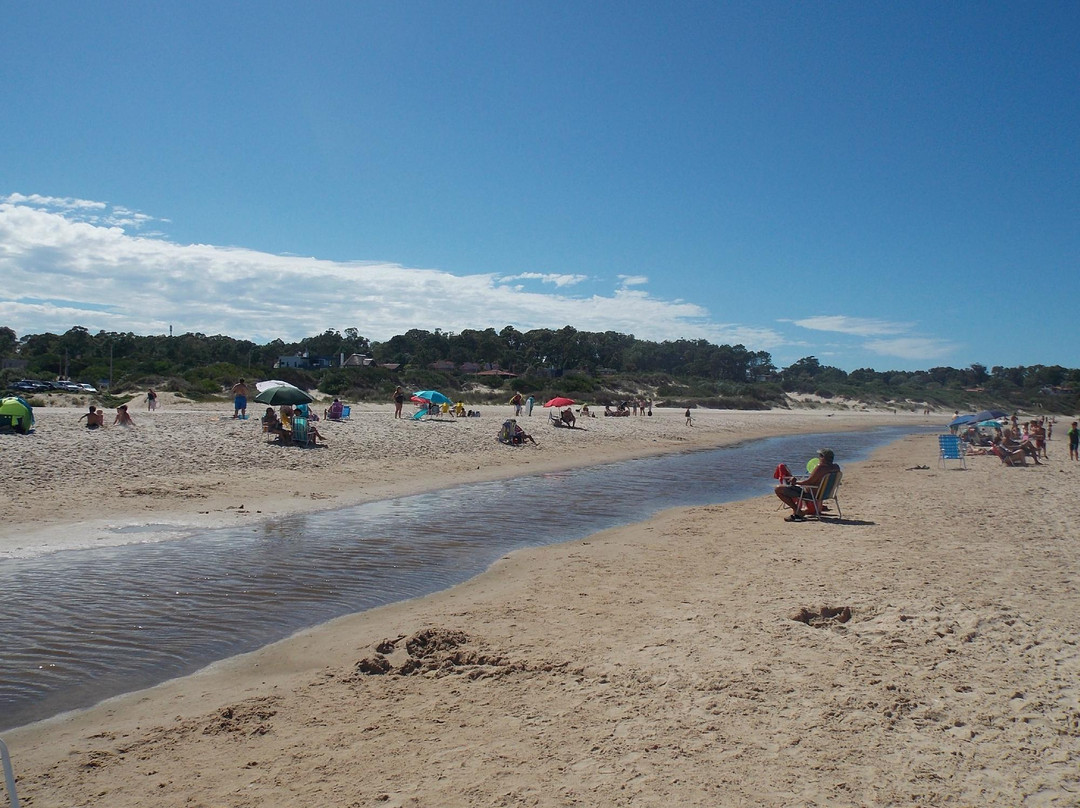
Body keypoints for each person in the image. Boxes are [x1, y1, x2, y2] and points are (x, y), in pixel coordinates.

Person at [775, 448, 840, 522]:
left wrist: (795, 482)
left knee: (778, 489)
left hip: (812, 494)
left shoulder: (820, 467)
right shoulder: (836, 467)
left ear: (823, 457)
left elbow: (808, 482)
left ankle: (797, 511)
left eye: (820, 456)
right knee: (800, 488)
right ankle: (802, 509)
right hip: (827, 493)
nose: (819, 458)